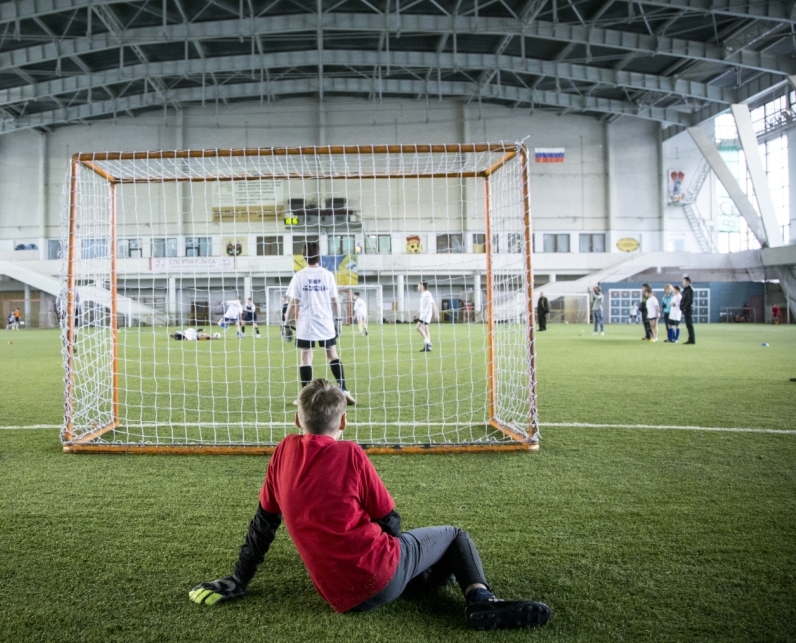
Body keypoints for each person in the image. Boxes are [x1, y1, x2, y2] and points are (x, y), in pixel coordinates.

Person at [188, 379, 552, 631]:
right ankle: (481, 602)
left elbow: (263, 524)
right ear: (344, 420)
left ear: (297, 420)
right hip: (380, 576)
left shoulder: (283, 451)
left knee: (429, 561)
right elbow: (390, 521)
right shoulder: (350, 453)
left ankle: (422, 578)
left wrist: (239, 578)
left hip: (339, 596)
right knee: (455, 538)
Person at [285, 242, 356, 405]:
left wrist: (286, 324)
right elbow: (335, 300)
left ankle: (305, 396)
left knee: (305, 357)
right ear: (319, 255)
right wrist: (338, 320)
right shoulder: (327, 274)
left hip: (306, 323)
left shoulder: (299, 276)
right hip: (325, 322)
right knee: (332, 354)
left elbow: (293, 302)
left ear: (304, 257)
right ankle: (343, 389)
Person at [415, 282, 439, 352]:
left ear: (422, 286)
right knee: (426, 328)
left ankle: (428, 343)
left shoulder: (428, 293)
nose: (418, 286)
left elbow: (433, 303)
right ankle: (428, 347)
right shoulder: (423, 294)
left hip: (426, 314)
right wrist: (417, 313)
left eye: (418, 285)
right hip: (423, 313)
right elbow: (423, 307)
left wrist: (436, 312)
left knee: (418, 327)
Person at [680, 276, 695, 344]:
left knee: (689, 324)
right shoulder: (685, 289)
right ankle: (690, 339)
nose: (683, 282)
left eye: (684, 281)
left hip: (688, 309)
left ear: (688, 282)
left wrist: (685, 307)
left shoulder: (690, 290)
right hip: (685, 309)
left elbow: (690, 300)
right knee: (688, 325)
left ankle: (692, 340)